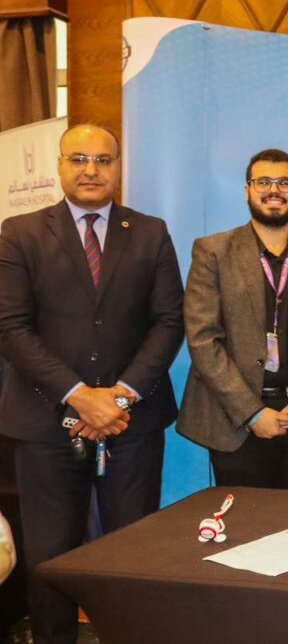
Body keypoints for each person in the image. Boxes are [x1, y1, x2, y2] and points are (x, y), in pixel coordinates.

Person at [0, 123, 184, 644]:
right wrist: (81, 397)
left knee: (132, 556)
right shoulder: (20, 232)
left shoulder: (150, 232)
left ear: (118, 168)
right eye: (78, 159)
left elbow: (169, 322)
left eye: (103, 160)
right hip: (45, 423)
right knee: (50, 559)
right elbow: (10, 327)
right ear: (59, 165)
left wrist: (118, 397)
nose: (91, 170)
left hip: (132, 423)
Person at [177, 149, 288, 490]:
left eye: (285, 182)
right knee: (243, 520)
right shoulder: (213, 251)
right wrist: (251, 411)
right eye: (263, 181)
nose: (274, 190)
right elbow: (203, 341)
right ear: (247, 190)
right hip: (235, 419)